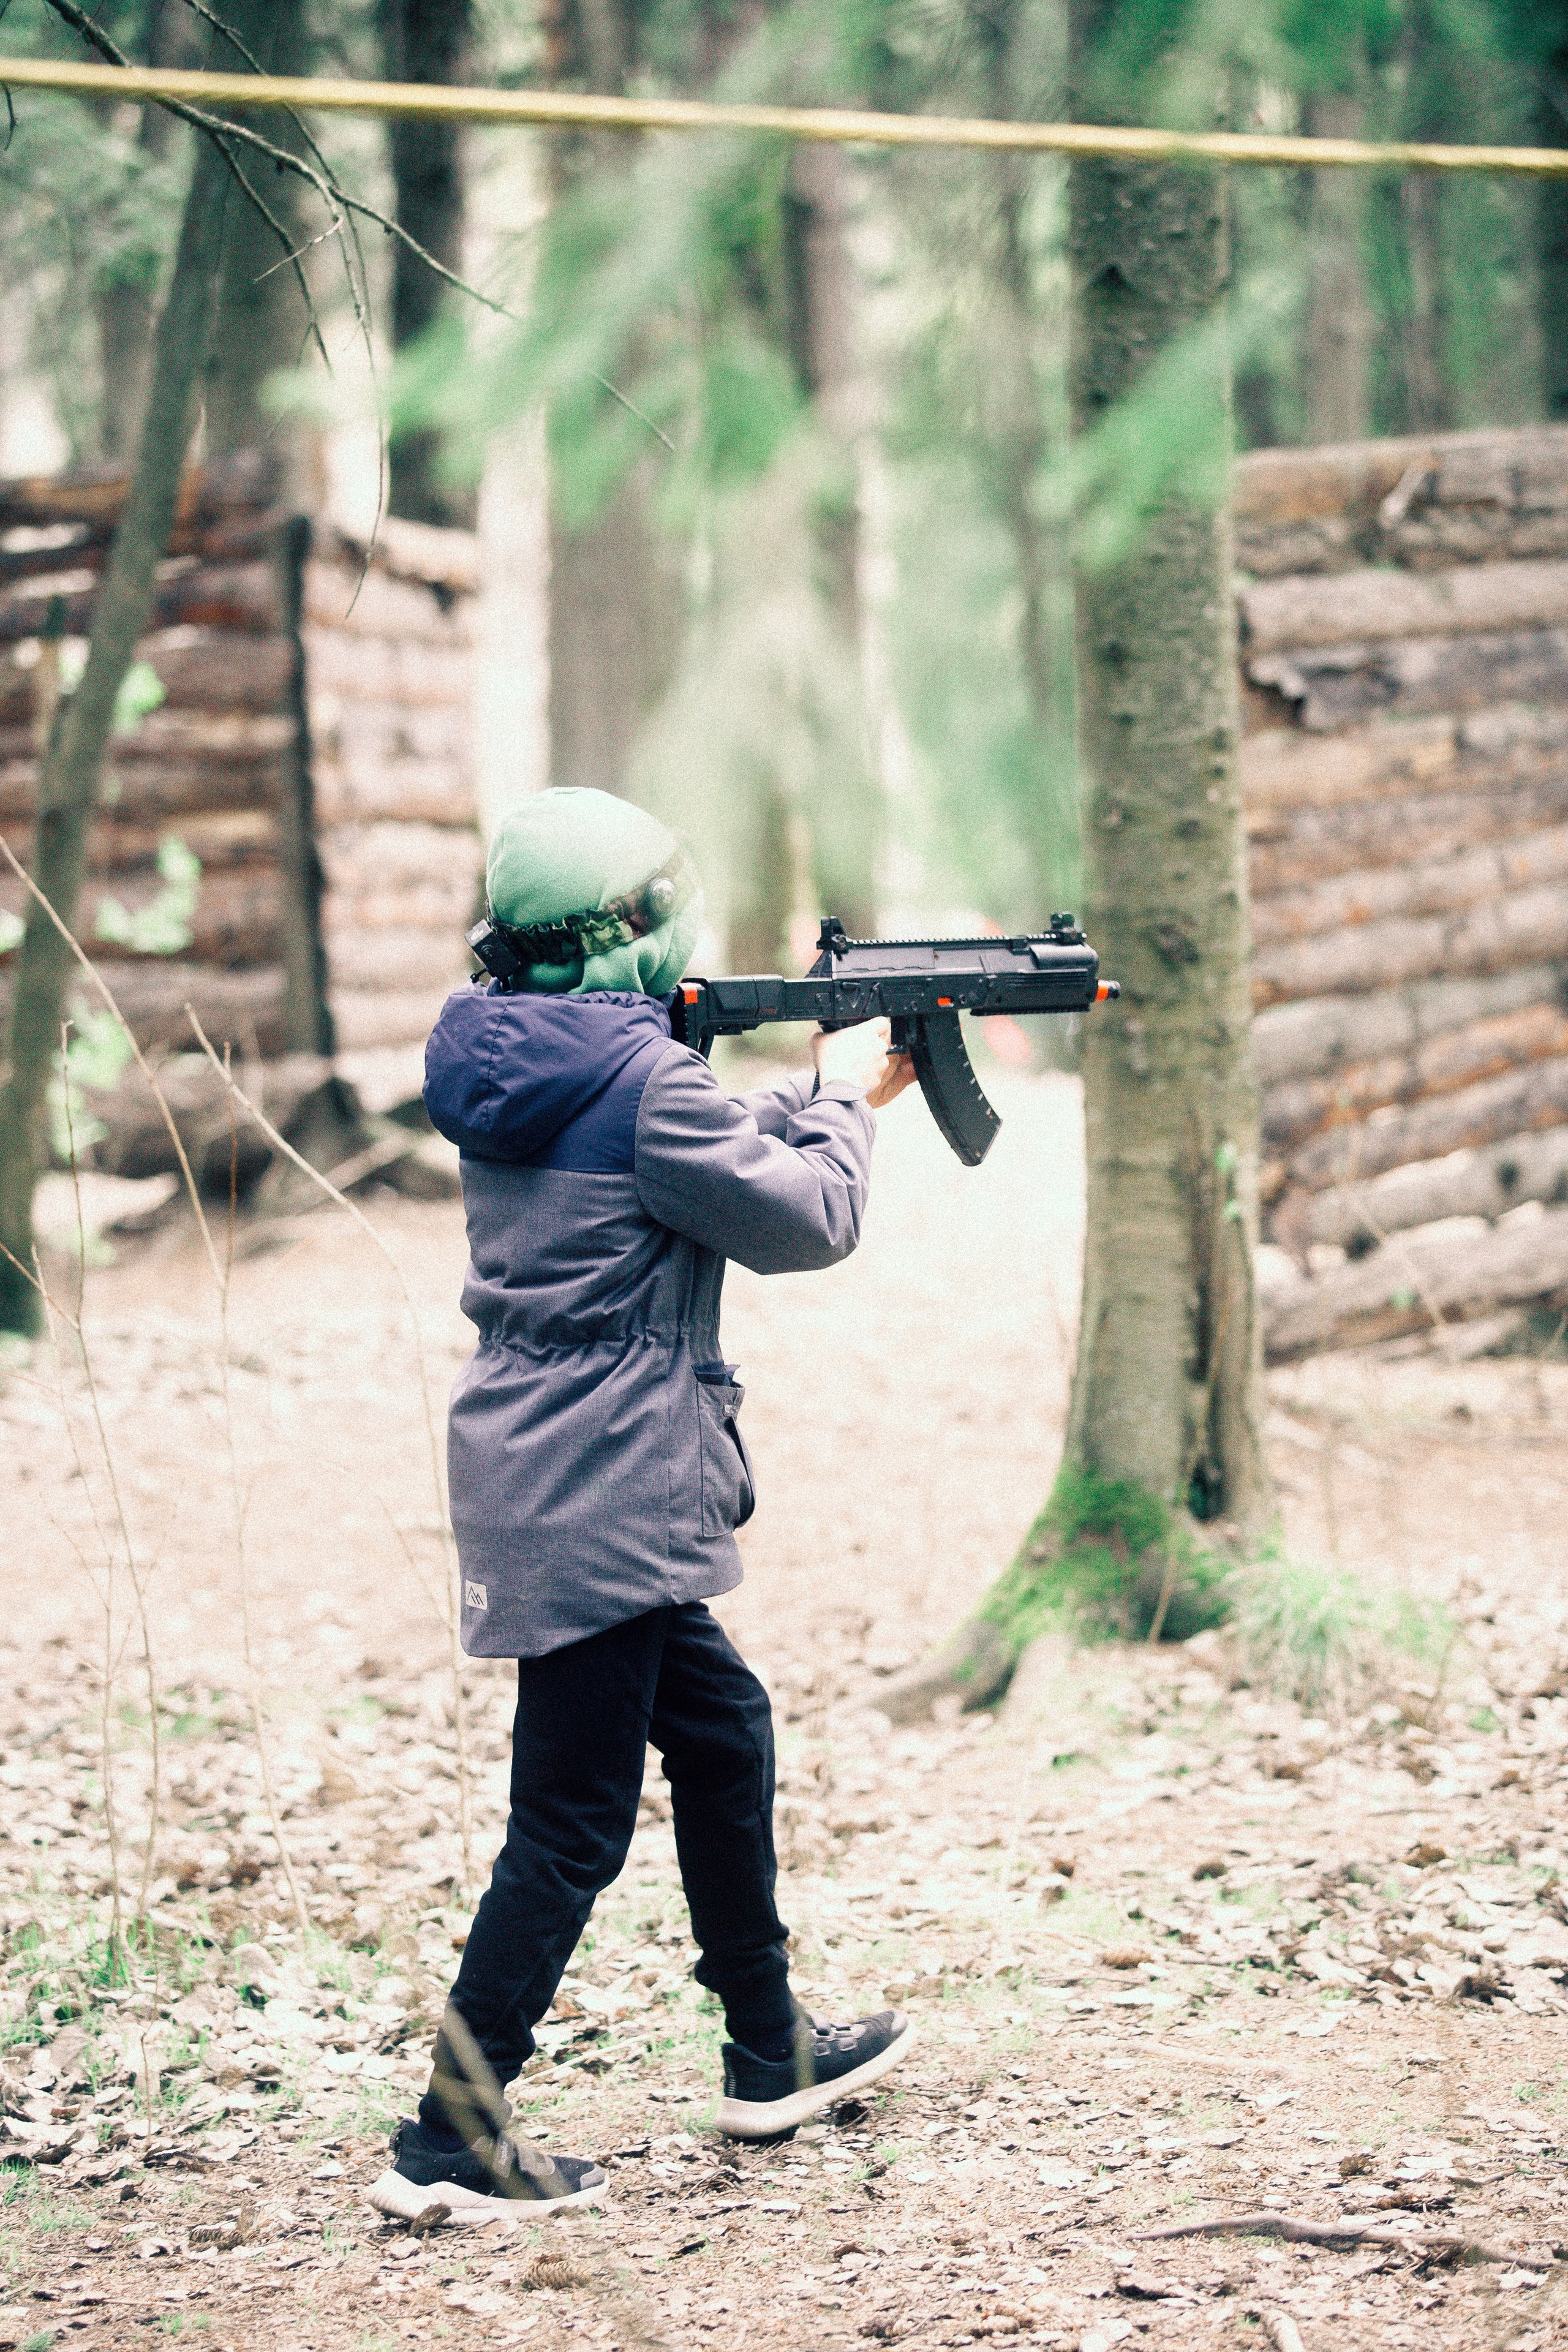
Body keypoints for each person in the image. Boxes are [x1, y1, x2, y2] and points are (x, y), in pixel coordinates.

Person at [369, 787, 919, 2225]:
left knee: (723, 1734)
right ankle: (450, 2136)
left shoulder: (521, 1058)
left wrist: (819, 1098)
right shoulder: (644, 1086)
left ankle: (765, 2045)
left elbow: (697, 1155)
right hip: (605, 1481)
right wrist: (850, 1101)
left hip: (557, 1466)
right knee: (567, 1827)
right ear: (632, 930)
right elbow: (804, 1219)